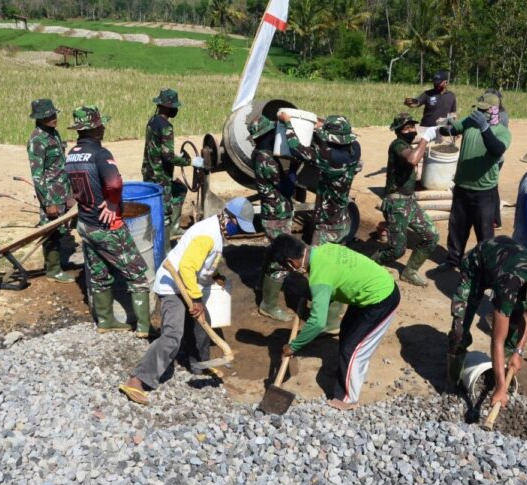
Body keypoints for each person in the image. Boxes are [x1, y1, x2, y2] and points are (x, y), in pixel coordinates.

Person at [119, 197, 256, 406]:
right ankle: (137, 380)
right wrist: (196, 299)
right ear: (229, 218)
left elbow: (201, 262)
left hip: (187, 283)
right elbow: (185, 268)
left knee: (203, 322)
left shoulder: (216, 231)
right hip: (172, 287)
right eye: (238, 227)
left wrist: (214, 274)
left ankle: (199, 363)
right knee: (173, 335)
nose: (238, 232)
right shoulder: (207, 235)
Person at [272, 234, 401, 411]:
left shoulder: (320, 276)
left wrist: (294, 346)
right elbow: (333, 281)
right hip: (367, 292)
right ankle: (345, 372)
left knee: (353, 348)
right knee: (347, 332)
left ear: (291, 262)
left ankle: (348, 399)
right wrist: (314, 295)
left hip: (381, 299)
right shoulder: (324, 249)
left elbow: (318, 323)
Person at [447, 236, 527, 407]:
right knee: (460, 330)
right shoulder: (509, 285)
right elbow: (497, 340)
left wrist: (518, 351)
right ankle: (453, 380)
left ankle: (503, 368)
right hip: (477, 267)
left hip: (506, 268)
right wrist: (500, 388)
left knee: (513, 332)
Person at [64, 105, 151, 336]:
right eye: (101, 124)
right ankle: (144, 327)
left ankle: (105, 321)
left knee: (99, 274)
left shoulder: (72, 155)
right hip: (106, 225)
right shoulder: (101, 154)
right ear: (95, 129)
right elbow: (113, 183)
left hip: (85, 223)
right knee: (138, 275)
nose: (104, 128)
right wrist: (113, 202)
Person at [278, 111, 363, 333]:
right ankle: (338, 311)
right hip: (343, 220)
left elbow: (297, 148)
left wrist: (288, 124)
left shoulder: (327, 158)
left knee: (323, 271)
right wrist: (319, 127)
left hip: (327, 225)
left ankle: (329, 321)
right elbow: (330, 143)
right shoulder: (354, 151)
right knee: (339, 265)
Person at [437, 92, 512, 270]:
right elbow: (451, 129)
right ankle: (453, 260)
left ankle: (484, 267)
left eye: (484, 109)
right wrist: (443, 127)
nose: (479, 112)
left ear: (495, 110)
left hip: (484, 192)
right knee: (457, 228)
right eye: (478, 108)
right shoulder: (470, 122)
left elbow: (496, 149)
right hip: (462, 187)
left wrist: (485, 128)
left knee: (485, 233)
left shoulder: (502, 132)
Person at [372, 113, 440, 286]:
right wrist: (425, 139)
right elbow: (413, 159)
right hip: (396, 203)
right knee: (397, 250)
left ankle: (409, 272)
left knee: (431, 236)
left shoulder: (408, 145)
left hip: (409, 202)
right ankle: (372, 264)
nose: (411, 130)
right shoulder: (397, 145)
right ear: (398, 131)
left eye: (412, 127)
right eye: (406, 128)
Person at [248, 116, 295, 322]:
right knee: (282, 258)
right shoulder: (265, 159)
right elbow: (286, 188)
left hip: (274, 212)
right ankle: (268, 305)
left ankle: (262, 285)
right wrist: (294, 170)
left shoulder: (260, 154)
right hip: (276, 215)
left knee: (273, 251)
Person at [26, 98, 76, 283]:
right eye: (48, 116)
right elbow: (37, 175)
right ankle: (53, 270)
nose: (53, 118)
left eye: (54, 114)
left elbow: (60, 166)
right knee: (51, 231)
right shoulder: (37, 140)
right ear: (39, 118)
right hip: (50, 195)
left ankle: (59, 264)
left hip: (62, 191)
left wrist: (69, 194)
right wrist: (48, 202)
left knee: (62, 229)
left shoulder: (53, 134)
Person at [141, 88, 192, 246]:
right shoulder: (166, 127)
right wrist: (188, 161)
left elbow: (158, 149)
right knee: (165, 212)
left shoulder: (152, 121)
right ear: (167, 107)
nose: (175, 110)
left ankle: (175, 228)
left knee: (180, 190)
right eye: (173, 106)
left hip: (148, 171)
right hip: (160, 176)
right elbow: (168, 156)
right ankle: (166, 249)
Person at [484, 88, 510, 229]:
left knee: (491, 188)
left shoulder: (500, 116)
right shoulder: (499, 114)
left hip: (494, 158)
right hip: (494, 157)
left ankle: (495, 220)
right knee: (491, 187)